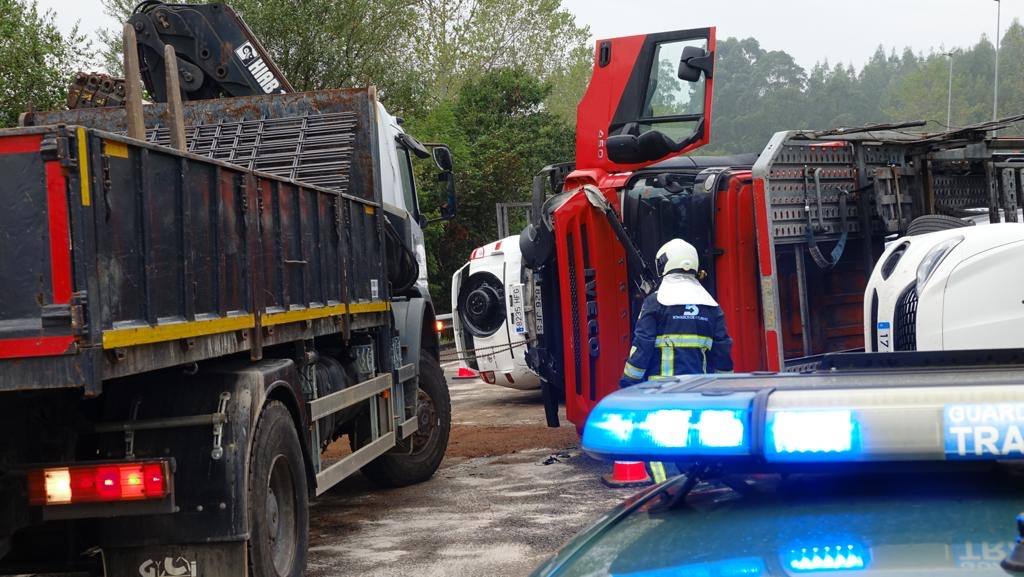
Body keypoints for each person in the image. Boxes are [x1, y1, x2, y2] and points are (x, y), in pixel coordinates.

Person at [620, 238, 733, 388]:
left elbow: (642, 347)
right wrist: (725, 390)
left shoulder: (655, 302)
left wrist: (628, 384)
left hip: (661, 394)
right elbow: (722, 355)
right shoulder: (711, 307)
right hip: (700, 393)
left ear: (663, 264)